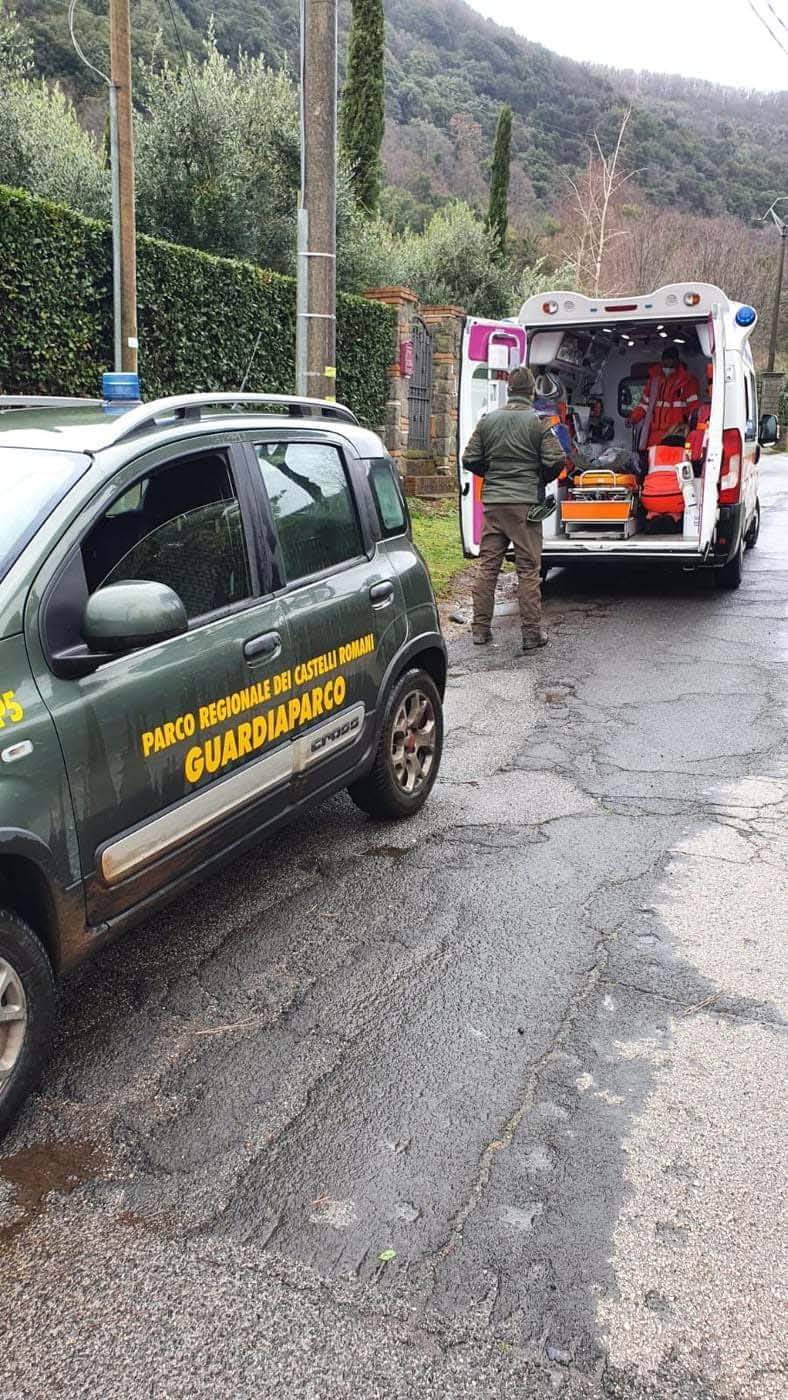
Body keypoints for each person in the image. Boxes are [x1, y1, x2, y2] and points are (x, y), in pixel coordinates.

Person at [463, 364, 566, 652]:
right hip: (525, 508)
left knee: (488, 568)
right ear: (531, 391)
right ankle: (531, 634)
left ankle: (480, 630)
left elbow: (469, 459)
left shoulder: (488, 421)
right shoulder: (538, 422)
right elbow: (556, 461)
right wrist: (537, 480)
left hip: (495, 504)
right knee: (528, 570)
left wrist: (493, 475)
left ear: (509, 390)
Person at [630, 346, 701, 449]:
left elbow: (693, 409)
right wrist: (633, 418)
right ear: (662, 361)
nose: (667, 367)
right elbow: (644, 404)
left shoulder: (687, 381)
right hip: (653, 435)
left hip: (674, 435)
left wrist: (694, 430)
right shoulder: (654, 381)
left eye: (671, 364)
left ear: (677, 362)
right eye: (665, 363)